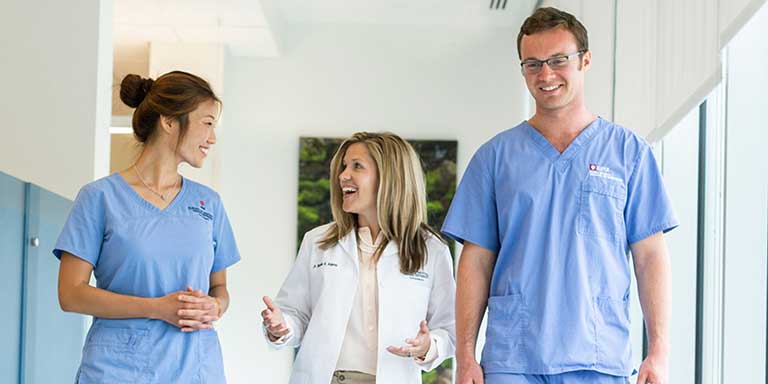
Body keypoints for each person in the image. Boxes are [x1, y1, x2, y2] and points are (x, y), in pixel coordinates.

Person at [443, 7, 678, 384]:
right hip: (513, 357)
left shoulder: (628, 152)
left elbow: (650, 257)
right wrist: (465, 356)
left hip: (598, 355)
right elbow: (476, 260)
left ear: (585, 60)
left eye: (558, 60)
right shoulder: (495, 157)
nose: (545, 75)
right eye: (532, 64)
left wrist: (659, 351)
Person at [54, 71, 240, 383]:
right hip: (118, 370)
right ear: (169, 121)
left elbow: (219, 289)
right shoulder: (100, 198)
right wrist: (156, 308)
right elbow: (71, 294)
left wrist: (214, 306)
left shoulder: (209, 204)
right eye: (207, 123)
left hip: (195, 367)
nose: (212, 138)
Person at [261, 132, 456, 383]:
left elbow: (450, 331)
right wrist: (281, 325)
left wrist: (429, 345)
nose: (343, 176)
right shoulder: (318, 242)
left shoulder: (431, 250)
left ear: (390, 178)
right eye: (343, 166)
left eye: (357, 166)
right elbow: (295, 314)